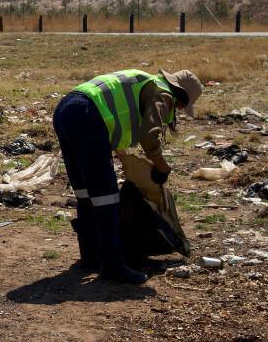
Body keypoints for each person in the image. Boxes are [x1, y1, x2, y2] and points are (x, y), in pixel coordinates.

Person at [52, 69, 203, 284]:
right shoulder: (163, 93)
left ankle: (90, 255)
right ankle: (112, 265)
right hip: (87, 116)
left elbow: (116, 118)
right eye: (181, 106)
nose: (178, 110)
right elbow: (149, 136)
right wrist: (162, 168)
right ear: (181, 96)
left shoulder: (144, 82)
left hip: (66, 110)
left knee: (85, 192)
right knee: (107, 197)